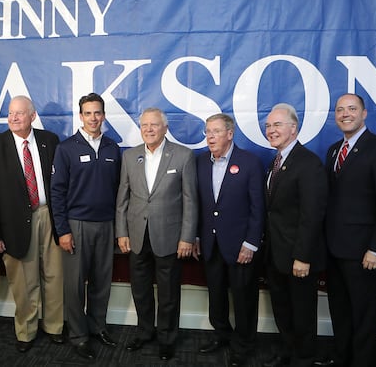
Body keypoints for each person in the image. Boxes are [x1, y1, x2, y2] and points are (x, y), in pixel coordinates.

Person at [0, 95, 64, 353]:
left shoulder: (49, 141)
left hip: (48, 216)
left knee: (54, 275)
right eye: (11, 113)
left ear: (32, 115)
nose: (14, 118)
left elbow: (60, 185)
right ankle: (26, 332)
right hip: (14, 223)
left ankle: (54, 327)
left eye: (20, 113)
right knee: (24, 283)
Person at [324, 93, 376, 367]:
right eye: (340, 110)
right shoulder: (334, 150)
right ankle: (342, 358)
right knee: (341, 312)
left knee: (364, 316)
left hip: (365, 252)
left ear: (364, 113)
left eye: (352, 109)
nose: (345, 114)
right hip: (335, 249)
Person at [116, 107, 197, 361]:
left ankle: (167, 338)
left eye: (154, 125)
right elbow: (123, 198)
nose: (148, 130)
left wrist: (187, 237)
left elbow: (190, 201)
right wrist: (121, 232)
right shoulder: (130, 157)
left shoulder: (183, 156)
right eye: (144, 126)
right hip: (137, 235)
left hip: (170, 237)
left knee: (168, 292)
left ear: (165, 127)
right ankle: (144, 332)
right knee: (140, 290)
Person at [50, 93, 121, 359]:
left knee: (102, 282)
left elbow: (118, 190)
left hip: (106, 225)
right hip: (76, 225)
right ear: (80, 116)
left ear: (103, 115)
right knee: (75, 285)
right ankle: (79, 335)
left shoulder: (113, 148)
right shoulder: (66, 148)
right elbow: (57, 192)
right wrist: (63, 230)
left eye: (98, 113)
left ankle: (97, 327)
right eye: (88, 113)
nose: (93, 118)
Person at [193, 113, 265, 367]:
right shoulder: (200, 162)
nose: (210, 137)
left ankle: (243, 344)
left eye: (215, 131)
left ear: (230, 134)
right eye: (207, 132)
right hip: (211, 245)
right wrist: (199, 235)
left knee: (244, 298)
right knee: (216, 295)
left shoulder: (249, 162)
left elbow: (258, 208)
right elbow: (200, 205)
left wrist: (251, 243)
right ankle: (221, 334)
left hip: (240, 246)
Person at [262, 104, 327, 367]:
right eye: (268, 126)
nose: (271, 130)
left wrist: (302, 256)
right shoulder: (276, 161)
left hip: (298, 256)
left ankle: (304, 358)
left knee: (302, 311)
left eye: (277, 125)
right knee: (282, 308)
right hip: (276, 254)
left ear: (293, 128)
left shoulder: (308, 162)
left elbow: (312, 215)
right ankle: (288, 351)